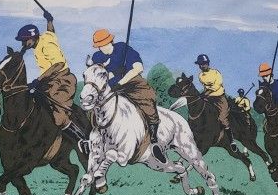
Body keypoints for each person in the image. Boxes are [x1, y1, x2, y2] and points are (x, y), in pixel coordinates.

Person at [91, 28, 166, 163]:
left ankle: (154, 141)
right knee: (95, 104)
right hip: (111, 87)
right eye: (99, 46)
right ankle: (92, 138)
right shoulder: (97, 57)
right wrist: (112, 75)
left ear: (111, 41)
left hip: (132, 83)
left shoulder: (123, 49)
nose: (102, 48)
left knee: (147, 100)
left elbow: (138, 68)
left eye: (104, 44)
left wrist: (121, 80)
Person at [15, 11, 87, 148]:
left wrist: (38, 79)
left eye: (25, 40)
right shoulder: (45, 37)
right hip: (48, 82)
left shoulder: (46, 44)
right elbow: (51, 31)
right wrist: (49, 20)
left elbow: (58, 64)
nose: (24, 43)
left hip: (63, 80)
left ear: (33, 37)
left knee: (58, 115)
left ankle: (82, 140)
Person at [194, 54, 231, 133]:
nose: (201, 66)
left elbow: (217, 86)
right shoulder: (200, 75)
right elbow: (206, 87)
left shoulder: (216, 73)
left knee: (222, 119)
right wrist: (203, 94)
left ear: (207, 64)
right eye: (200, 64)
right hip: (208, 98)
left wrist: (206, 92)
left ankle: (230, 138)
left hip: (219, 98)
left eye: (203, 64)